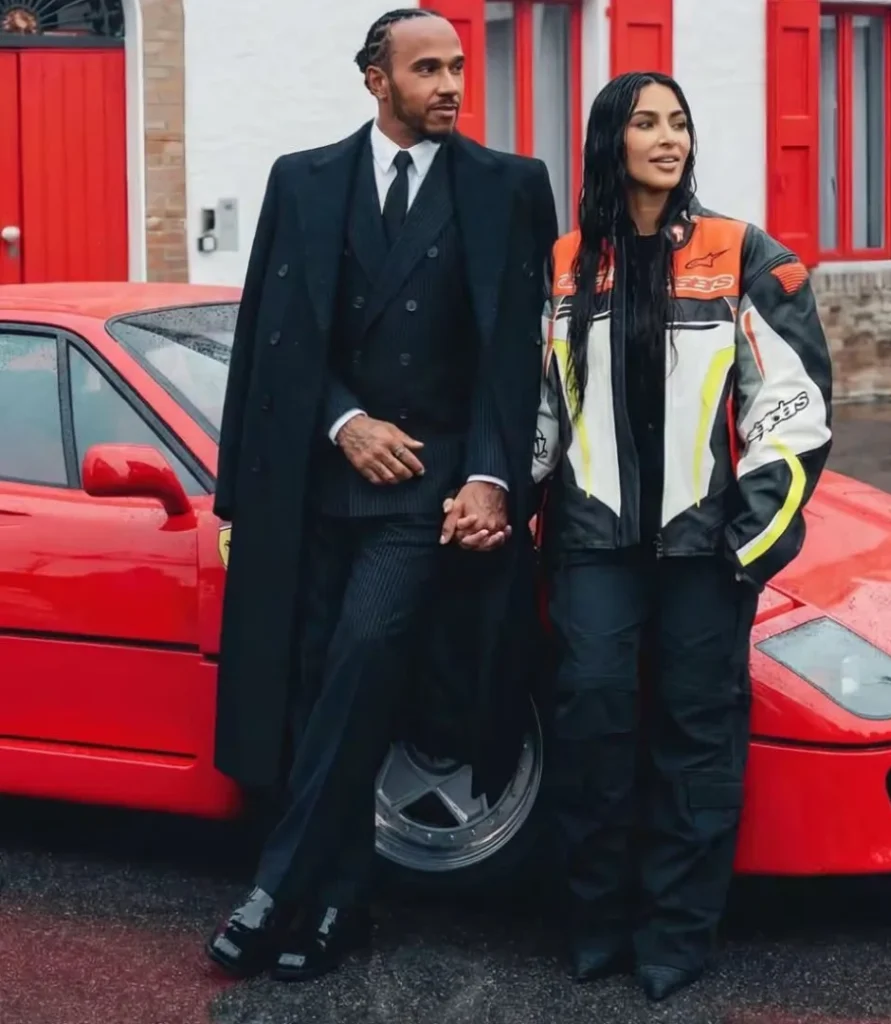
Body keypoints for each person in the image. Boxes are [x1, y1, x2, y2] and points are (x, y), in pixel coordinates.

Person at [206, 8, 557, 982]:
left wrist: (493, 478)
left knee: (365, 656)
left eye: (458, 67)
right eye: (429, 68)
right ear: (376, 79)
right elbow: (276, 333)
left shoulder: (508, 187)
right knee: (322, 689)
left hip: (425, 496)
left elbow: (512, 358)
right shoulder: (302, 180)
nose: (452, 84)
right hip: (314, 486)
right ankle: (338, 908)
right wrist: (341, 421)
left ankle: (278, 883)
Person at [531, 72, 833, 1002]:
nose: (667, 138)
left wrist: (748, 544)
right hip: (589, 545)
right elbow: (538, 407)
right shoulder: (563, 261)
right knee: (591, 724)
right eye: (645, 123)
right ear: (607, 141)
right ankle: (595, 925)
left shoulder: (741, 253)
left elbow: (792, 409)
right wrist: (499, 500)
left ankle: (675, 935)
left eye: (679, 123)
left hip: (706, 552)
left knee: (696, 737)